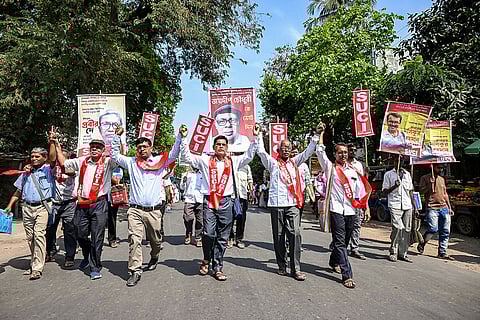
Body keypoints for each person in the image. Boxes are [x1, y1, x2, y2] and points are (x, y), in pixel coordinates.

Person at [111, 125, 184, 286]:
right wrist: (117, 136)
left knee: (155, 240)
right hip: (135, 210)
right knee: (134, 239)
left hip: (154, 211)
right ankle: (135, 270)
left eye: (145, 146)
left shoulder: (159, 162)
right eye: (139, 147)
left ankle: (155, 255)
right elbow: (115, 155)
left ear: (151, 148)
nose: (142, 149)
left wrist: (179, 137)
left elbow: (173, 155)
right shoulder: (131, 162)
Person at [181, 130, 257, 281]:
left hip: (226, 202)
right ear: (214, 147)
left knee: (223, 237)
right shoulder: (204, 160)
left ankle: (218, 267)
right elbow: (187, 157)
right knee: (208, 234)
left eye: (223, 144)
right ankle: (206, 258)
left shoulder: (234, 162)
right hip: (209, 201)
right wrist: (183, 139)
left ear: (227, 147)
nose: (221, 147)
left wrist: (256, 137)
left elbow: (249, 155)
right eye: (218, 144)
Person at [256, 126, 320, 281]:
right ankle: (281, 265)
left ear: (291, 150)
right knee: (279, 236)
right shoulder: (272, 163)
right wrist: (258, 135)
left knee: (295, 234)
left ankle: (296, 268)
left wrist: (316, 135)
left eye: (288, 147)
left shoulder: (295, 162)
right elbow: (261, 152)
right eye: (283, 147)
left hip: (292, 204)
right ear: (278, 149)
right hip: (276, 204)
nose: (286, 150)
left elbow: (308, 152)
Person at [316, 122, 370, 289]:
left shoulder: (354, 171)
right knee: (339, 242)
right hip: (336, 210)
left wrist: (365, 206)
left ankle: (334, 261)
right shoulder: (330, 168)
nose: (343, 155)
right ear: (335, 154)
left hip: (352, 210)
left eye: (345, 152)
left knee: (345, 241)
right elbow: (319, 151)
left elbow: (361, 191)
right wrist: (320, 134)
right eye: (340, 153)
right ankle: (347, 275)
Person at [57, 138, 118, 280]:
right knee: (79, 233)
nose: (95, 149)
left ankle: (95, 267)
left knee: (97, 236)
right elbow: (63, 164)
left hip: (100, 204)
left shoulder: (108, 162)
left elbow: (117, 156)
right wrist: (55, 144)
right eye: (93, 146)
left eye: (98, 147)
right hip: (82, 204)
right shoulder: (82, 161)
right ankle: (87, 254)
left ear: (103, 150)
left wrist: (116, 138)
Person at [5, 138, 56, 280]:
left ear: (44, 158)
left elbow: (53, 158)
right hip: (27, 208)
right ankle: (36, 260)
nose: (33, 158)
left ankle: (37, 268)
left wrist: (52, 141)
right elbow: (17, 191)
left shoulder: (48, 170)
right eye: (32, 156)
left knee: (39, 234)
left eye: (37, 156)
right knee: (30, 237)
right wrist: (9, 206)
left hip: (42, 207)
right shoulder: (25, 173)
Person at [45, 145, 78, 268]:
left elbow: (69, 172)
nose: (59, 158)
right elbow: (52, 159)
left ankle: (69, 256)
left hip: (69, 203)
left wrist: (64, 165)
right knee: (50, 229)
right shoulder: (52, 169)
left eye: (62, 156)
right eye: (59, 156)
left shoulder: (73, 168)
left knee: (69, 230)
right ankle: (49, 251)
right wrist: (53, 142)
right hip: (54, 204)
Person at [382, 157, 417, 263]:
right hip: (395, 204)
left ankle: (403, 253)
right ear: (394, 162)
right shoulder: (388, 174)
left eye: (401, 161)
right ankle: (393, 251)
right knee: (397, 227)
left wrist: (414, 206)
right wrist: (394, 186)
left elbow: (410, 191)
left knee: (407, 229)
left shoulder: (407, 174)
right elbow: (384, 191)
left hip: (407, 205)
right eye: (397, 160)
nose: (399, 163)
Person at [417, 164, 455, 260]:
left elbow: (445, 194)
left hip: (444, 208)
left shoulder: (442, 179)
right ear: (432, 167)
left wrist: (449, 207)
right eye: (438, 167)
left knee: (445, 231)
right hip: (432, 207)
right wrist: (430, 184)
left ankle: (442, 252)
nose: (440, 169)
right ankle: (422, 242)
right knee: (433, 228)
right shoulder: (425, 178)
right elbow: (421, 191)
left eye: (441, 168)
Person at [347, 143, 367, 260]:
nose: (353, 152)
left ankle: (354, 248)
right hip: (344, 200)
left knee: (357, 224)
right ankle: (338, 244)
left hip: (357, 199)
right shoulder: (341, 164)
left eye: (354, 150)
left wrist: (365, 202)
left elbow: (362, 183)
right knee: (344, 225)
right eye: (351, 150)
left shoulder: (358, 165)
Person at [227, 163, 253, 249]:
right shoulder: (229, 164)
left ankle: (239, 239)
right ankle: (230, 238)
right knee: (229, 218)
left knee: (241, 219)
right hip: (231, 196)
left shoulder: (246, 166)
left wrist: (251, 192)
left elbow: (250, 179)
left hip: (243, 196)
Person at [183, 168, 204, 247]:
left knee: (200, 220)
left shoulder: (203, 173)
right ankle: (188, 233)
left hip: (200, 199)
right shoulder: (187, 173)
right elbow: (182, 187)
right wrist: (184, 181)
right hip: (189, 199)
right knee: (187, 218)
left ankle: (198, 238)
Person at [106, 167, 123, 248]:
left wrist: (107, 175)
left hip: (112, 198)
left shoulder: (118, 170)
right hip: (100, 197)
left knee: (112, 219)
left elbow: (116, 181)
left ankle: (112, 239)